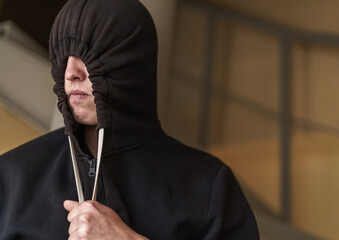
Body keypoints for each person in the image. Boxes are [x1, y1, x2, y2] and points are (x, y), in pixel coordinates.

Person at [0, 0, 259, 239]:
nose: (71, 73)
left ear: (132, 61)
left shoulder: (208, 186)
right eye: (64, 56)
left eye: (90, 55)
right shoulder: (11, 177)